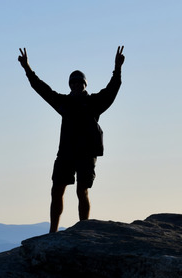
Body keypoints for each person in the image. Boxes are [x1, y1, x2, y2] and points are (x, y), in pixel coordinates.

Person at [18, 46, 125, 233]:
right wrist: (27, 68)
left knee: (82, 190)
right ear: (70, 85)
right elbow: (41, 88)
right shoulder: (63, 103)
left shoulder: (93, 103)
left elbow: (112, 90)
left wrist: (117, 68)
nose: (76, 85)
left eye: (79, 83)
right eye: (73, 83)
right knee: (57, 190)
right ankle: (53, 232)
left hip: (86, 153)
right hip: (66, 153)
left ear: (85, 85)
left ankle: (83, 230)